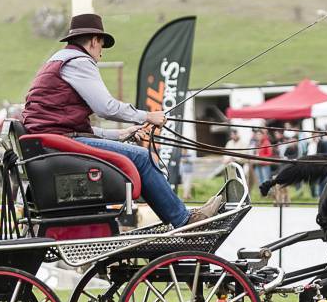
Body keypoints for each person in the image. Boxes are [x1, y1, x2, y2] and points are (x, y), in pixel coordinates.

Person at [21, 13, 222, 226]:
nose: (101, 54)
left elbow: (73, 127)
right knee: (143, 158)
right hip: (59, 144)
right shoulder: (79, 62)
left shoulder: (58, 61)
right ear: (94, 40)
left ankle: (180, 216)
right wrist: (148, 116)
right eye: (101, 47)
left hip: (53, 144)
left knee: (139, 156)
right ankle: (184, 221)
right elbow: (106, 108)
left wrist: (122, 134)